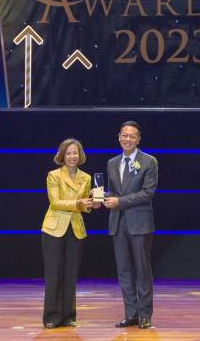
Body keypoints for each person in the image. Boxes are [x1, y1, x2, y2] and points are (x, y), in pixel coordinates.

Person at [104, 121, 158, 329]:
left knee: (142, 270)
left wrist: (119, 201)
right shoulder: (112, 162)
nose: (127, 139)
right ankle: (131, 313)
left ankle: (144, 314)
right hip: (118, 224)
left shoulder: (149, 161)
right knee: (124, 271)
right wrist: (101, 197)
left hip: (140, 224)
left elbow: (147, 193)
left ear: (138, 139)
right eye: (124, 135)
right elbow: (113, 192)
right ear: (119, 137)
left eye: (132, 136)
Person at [41, 138, 99, 329]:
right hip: (54, 229)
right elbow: (55, 202)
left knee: (71, 274)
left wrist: (91, 205)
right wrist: (78, 203)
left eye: (75, 153)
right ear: (62, 156)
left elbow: (83, 206)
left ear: (80, 155)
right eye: (68, 153)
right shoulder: (53, 175)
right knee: (54, 274)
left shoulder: (86, 177)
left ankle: (68, 316)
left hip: (75, 229)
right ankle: (52, 317)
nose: (72, 156)